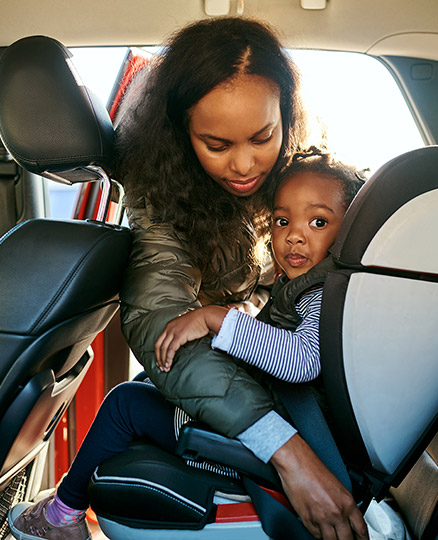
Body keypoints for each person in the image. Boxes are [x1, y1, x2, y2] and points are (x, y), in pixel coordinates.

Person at [9, 17, 368, 540]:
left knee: (128, 401)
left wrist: (285, 447)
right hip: (285, 398)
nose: (246, 165)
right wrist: (283, 445)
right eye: (217, 144)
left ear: (288, 120)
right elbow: (160, 317)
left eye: (263, 137)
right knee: (142, 385)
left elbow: (299, 346)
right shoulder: (164, 209)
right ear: (181, 135)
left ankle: (60, 517)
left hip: (301, 408)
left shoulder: (304, 184)